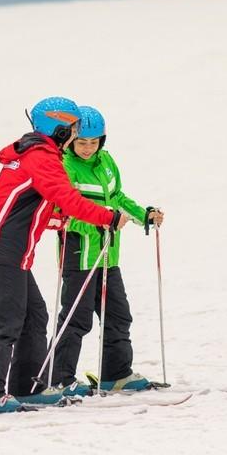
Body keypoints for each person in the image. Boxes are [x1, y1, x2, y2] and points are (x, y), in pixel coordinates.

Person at [0, 97, 130, 413]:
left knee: (34, 314)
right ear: (59, 129)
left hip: (11, 249)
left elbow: (31, 207)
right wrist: (106, 216)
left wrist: (59, 221)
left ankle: (27, 387)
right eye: (72, 129)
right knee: (7, 319)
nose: (73, 135)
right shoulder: (42, 158)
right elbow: (66, 198)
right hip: (3, 249)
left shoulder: (38, 155)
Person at [50, 106, 163, 394]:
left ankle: (116, 374)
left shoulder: (106, 162)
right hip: (80, 254)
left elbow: (117, 198)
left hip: (108, 255)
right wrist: (99, 225)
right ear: (71, 140)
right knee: (77, 319)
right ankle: (59, 379)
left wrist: (143, 214)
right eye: (82, 143)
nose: (88, 148)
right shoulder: (65, 166)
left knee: (119, 315)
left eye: (94, 142)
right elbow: (64, 212)